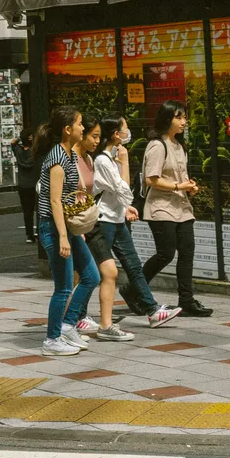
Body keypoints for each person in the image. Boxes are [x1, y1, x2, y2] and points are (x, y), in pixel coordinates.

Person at [93, 117, 180, 328]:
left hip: (117, 218)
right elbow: (124, 190)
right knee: (94, 273)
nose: (128, 132)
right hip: (103, 221)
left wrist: (124, 208)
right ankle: (76, 316)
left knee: (133, 266)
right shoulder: (103, 161)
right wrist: (124, 162)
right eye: (125, 129)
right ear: (115, 134)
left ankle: (152, 310)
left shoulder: (111, 157)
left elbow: (119, 195)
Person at [142, 100, 213, 318]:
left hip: (182, 207)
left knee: (187, 253)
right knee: (166, 254)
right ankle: (135, 288)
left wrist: (189, 186)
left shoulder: (179, 146)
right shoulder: (157, 145)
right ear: (167, 119)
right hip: (161, 207)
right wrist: (178, 186)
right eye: (179, 117)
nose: (184, 121)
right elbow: (151, 179)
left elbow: (180, 177)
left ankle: (186, 300)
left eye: (184, 117)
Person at [70, 116, 133, 343]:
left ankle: (104, 325)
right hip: (75, 223)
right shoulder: (67, 159)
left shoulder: (88, 159)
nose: (97, 140)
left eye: (98, 136)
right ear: (80, 133)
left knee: (108, 272)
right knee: (80, 278)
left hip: (90, 220)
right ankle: (69, 324)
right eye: (93, 136)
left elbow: (94, 192)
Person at [12, 128, 37, 242]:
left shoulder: (18, 150)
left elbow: (13, 142)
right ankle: (38, 232)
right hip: (34, 183)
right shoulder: (34, 151)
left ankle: (29, 235)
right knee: (38, 209)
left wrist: (20, 138)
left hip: (22, 184)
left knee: (26, 211)